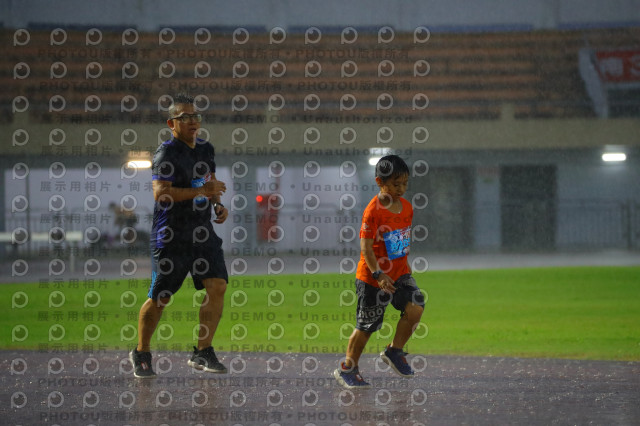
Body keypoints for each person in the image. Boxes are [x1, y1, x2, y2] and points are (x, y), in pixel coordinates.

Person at [130, 93, 229, 378]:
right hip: (171, 235)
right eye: (185, 117)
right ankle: (142, 352)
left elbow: (209, 182)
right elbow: (161, 194)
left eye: (195, 116)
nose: (192, 121)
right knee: (161, 297)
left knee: (218, 285)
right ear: (171, 123)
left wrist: (217, 204)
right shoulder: (166, 154)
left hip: (202, 232)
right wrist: (203, 191)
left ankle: (203, 351)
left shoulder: (206, 149)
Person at [334, 155, 425, 388]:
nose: (401, 189)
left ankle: (394, 351)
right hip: (373, 278)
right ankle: (347, 369)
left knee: (416, 306)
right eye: (395, 184)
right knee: (367, 327)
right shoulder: (372, 211)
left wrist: (405, 266)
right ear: (379, 182)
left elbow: (400, 240)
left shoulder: (407, 207)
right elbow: (365, 247)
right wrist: (378, 274)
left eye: (405, 183)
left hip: (400, 274)